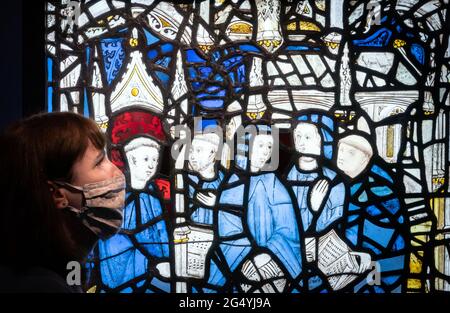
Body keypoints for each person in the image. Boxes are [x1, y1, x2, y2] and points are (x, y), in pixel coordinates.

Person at [0, 112, 125, 293]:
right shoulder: (40, 287)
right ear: (57, 195)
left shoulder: (67, 269)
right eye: (99, 163)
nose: (116, 171)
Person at [211, 124, 301, 293]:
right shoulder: (231, 185)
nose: (266, 151)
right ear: (245, 146)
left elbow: (288, 230)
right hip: (240, 265)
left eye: (269, 146)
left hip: (274, 265)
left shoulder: (274, 183)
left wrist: (267, 254)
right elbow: (227, 234)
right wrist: (249, 257)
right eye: (260, 145)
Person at [94, 110, 171, 293]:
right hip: (128, 275)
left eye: (154, 158)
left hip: (158, 273)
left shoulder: (152, 195)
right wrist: (150, 263)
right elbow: (114, 245)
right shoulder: (119, 196)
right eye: (146, 159)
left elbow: (160, 233)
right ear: (131, 160)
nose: (152, 165)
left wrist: (167, 258)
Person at [336, 133, 408, 293]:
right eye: (340, 150)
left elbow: (385, 226)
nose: (341, 156)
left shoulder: (378, 185)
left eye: (350, 153)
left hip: (382, 261)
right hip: (357, 258)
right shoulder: (346, 183)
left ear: (365, 159)